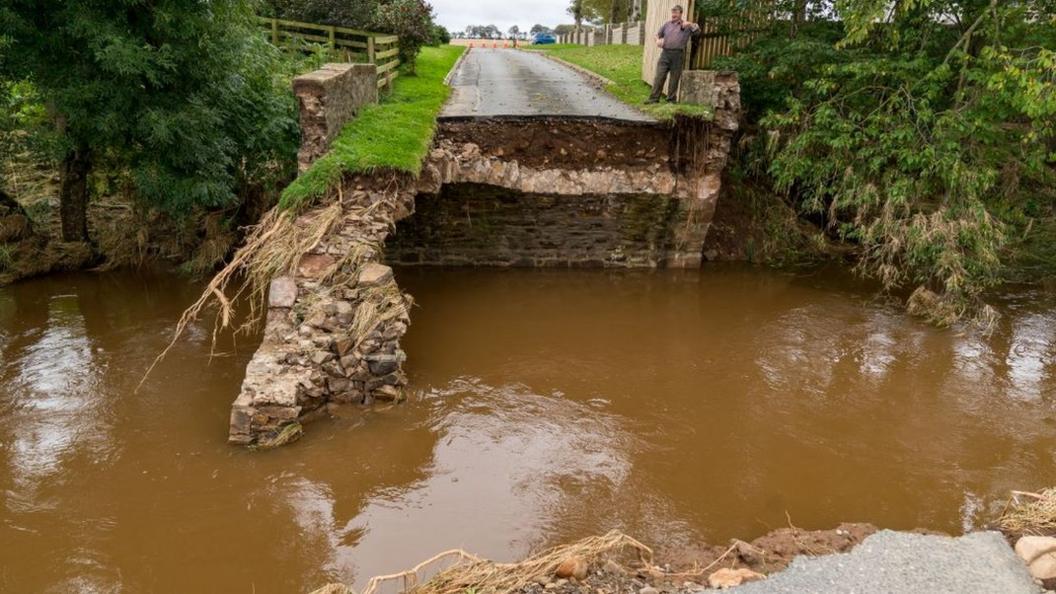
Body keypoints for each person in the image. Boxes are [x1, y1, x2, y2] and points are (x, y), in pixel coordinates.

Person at [646, 5, 701, 104]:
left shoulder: (686, 25)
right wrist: (657, 40)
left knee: (674, 79)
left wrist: (691, 24)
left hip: (677, 55)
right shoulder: (667, 25)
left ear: (680, 13)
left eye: (676, 12)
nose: (673, 14)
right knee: (659, 76)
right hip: (665, 54)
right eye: (672, 12)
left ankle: (671, 100)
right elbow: (657, 35)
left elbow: (697, 32)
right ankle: (653, 99)